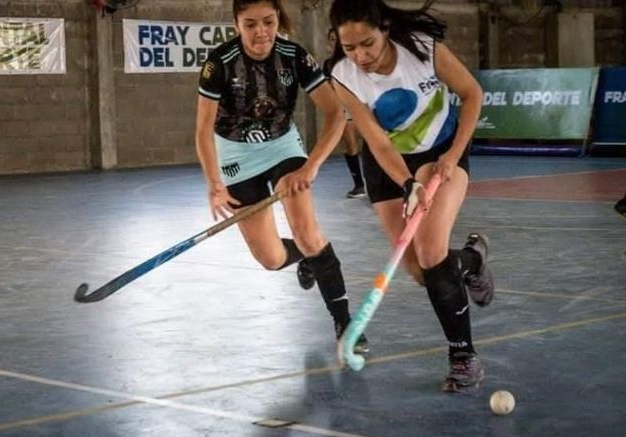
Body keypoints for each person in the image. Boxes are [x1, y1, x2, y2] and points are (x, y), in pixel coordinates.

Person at [327, 0, 493, 392]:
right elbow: (379, 144)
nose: (360, 56)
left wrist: (452, 157)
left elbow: (472, 94)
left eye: (367, 43)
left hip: (440, 151)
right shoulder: (342, 75)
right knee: (420, 271)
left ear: (384, 27)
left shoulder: (423, 48)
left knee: (432, 254)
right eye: (350, 48)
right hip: (388, 164)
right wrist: (407, 184)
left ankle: (463, 356)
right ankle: (472, 259)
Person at [196, 0, 368, 354]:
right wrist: (214, 184)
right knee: (271, 259)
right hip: (235, 156)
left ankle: (345, 323)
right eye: (250, 24)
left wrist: (310, 166)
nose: (261, 32)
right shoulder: (219, 63)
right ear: (236, 25)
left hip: (282, 147)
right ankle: (304, 259)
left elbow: (337, 115)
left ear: (278, 20)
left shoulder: (293, 55)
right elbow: (202, 131)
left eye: (268, 22)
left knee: (307, 232)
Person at [324, 29, 366, 199]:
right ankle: (359, 185)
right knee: (350, 143)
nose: (335, 42)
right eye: (332, 39)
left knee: (373, 140)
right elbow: (327, 88)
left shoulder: (355, 58)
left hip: (363, 104)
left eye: (338, 39)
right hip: (344, 106)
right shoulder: (328, 64)